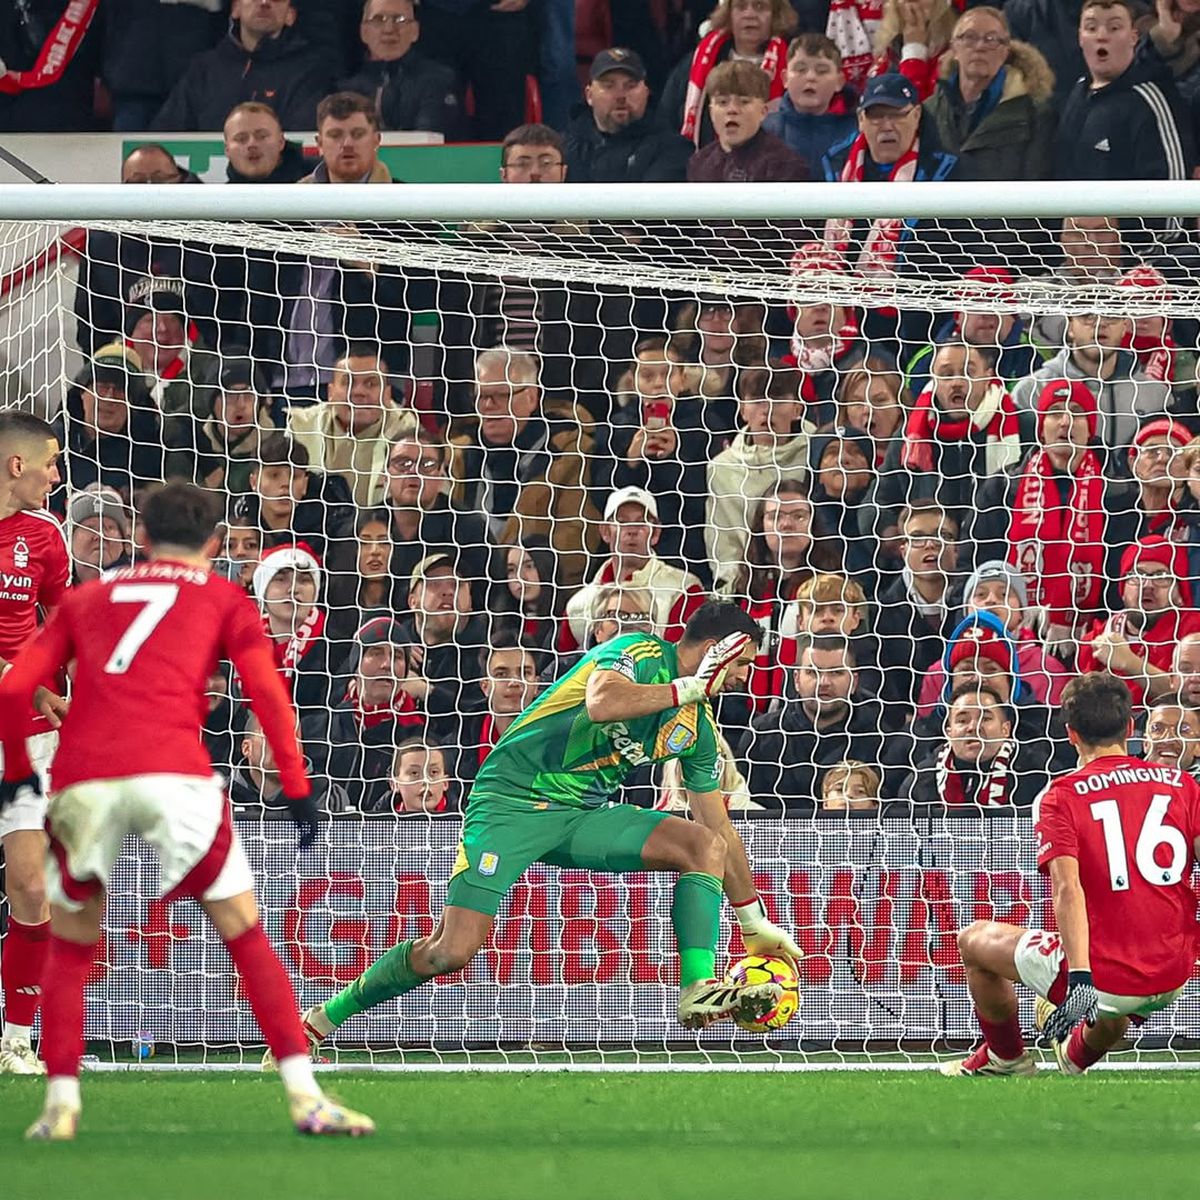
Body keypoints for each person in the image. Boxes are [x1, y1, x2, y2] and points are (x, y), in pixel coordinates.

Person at [0, 481, 371, 1137]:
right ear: (217, 543)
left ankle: (60, 1104)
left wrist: (17, 780)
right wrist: (294, 784)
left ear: (140, 539)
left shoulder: (87, 598)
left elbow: (17, 686)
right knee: (245, 933)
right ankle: (306, 1099)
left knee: (70, 943)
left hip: (86, 777)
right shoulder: (225, 598)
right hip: (175, 773)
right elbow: (266, 692)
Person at [287, 600, 805, 1052]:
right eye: (746, 662)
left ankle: (698, 988)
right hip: (512, 802)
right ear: (721, 647)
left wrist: (752, 921)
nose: (746, 676)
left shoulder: (696, 727)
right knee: (449, 951)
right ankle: (315, 1022)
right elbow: (602, 702)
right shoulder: (640, 652)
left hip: (581, 816)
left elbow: (723, 829)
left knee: (702, 844)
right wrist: (685, 686)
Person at [941, 672, 1200, 1078]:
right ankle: (1075, 1056)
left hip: (1107, 978)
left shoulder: (1061, 795)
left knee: (973, 940)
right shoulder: (1182, 784)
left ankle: (1006, 1058)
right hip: (1175, 974)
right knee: (1115, 1004)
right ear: (1131, 728)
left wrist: (1080, 978)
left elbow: (1068, 889)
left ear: (1070, 734)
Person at [0, 413, 69, 1075]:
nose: (57, 475)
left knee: (30, 889)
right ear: (16, 467)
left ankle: (16, 1041)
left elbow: (58, 623)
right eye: (50, 464)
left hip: (25, 738)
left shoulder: (45, 537)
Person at [449, 346, 600, 588]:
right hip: (466, 593)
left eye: (501, 395)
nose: (488, 405)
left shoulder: (571, 453)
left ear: (531, 397)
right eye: (481, 396)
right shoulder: (457, 454)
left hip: (538, 597)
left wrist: (512, 577)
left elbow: (577, 541)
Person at [1055, 2, 1194, 221]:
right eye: (1091, 28)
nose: (1102, 36)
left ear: (1133, 37)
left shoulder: (1150, 99)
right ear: (1080, 37)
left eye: (1114, 28)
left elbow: (1172, 206)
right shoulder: (1077, 92)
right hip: (1078, 248)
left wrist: (1134, 251)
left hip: (1138, 252)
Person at [741, 633, 896, 811]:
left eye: (836, 672)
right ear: (797, 680)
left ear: (854, 681)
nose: (824, 682)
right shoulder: (761, 736)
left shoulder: (882, 737)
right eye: (813, 672)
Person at [1012, 312, 1172, 464]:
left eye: (1111, 315)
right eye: (1087, 315)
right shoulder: (1031, 390)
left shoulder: (1156, 394)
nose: (1100, 323)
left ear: (1124, 327)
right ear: (1070, 326)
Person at [916, 559, 1070, 717]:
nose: (991, 600)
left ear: (1022, 613)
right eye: (980, 594)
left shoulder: (1049, 670)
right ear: (966, 611)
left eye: (1003, 594)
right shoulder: (939, 672)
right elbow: (927, 731)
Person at [562, 488, 705, 653]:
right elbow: (565, 666)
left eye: (641, 522)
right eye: (622, 522)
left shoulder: (683, 589)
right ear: (605, 531)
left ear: (655, 533)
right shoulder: (577, 605)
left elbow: (684, 659)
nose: (632, 530)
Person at [151, 0, 331, 132]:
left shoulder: (309, 71)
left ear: (290, 16)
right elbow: (166, 132)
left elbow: (304, 136)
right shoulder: (203, 68)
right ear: (235, 9)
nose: (264, 2)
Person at [923, 5, 1056, 182]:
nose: (980, 46)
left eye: (991, 39)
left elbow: (1036, 183)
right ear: (954, 48)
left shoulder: (1036, 115)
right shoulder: (929, 111)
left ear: (1005, 52)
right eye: (970, 37)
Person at [706, 365, 811, 584]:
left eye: (778, 400)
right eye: (757, 400)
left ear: (797, 409)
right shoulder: (722, 468)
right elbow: (723, 545)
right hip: (749, 585)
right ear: (743, 410)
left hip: (809, 576)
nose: (767, 410)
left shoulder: (817, 453)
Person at [286, 344, 418, 508]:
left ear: (387, 394)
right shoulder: (301, 427)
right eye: (348, 383)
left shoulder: (409, 434)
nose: (358, 392)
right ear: (331, 393)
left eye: (371, 384)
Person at [1077, 536, 1200, 709]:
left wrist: (1130, 663)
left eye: (1162, 576)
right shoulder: (1097, 637)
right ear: (1122, 589)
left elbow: (1191, 698)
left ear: (1180, 593)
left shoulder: (1194, 631)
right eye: (1137, 575)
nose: (1148, 584)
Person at [379, 430, 493, 613]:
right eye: (402, 463)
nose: (413, 471)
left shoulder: (468, 528)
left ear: (441, 475)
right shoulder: (364, 525)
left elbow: (491, 599)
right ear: (385, 474)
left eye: (426, 464)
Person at [663, 0, 797, 147]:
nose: (749, 14)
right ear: (728, 14)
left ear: (776, 15)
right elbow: (666, 121)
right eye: (740, 6)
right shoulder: (697, 62)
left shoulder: (793, 65)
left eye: (760, 6)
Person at [901, 682, 1047, 808]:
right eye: (962, 720)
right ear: (949, 733)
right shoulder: (919, 780)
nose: (973, 727)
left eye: (985, 718)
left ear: (1006, 729)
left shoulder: (1037, 774)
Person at [564, 48, 694, 184]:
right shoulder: (565, 150)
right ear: (589, 95)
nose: (620, 96)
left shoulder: (674, 150)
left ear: (646, 92)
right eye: (609, 86)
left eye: (630, 86)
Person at [339, 0, 460, 135]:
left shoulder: (438, 79)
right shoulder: (345, 89)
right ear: (364, 32)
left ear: (415, 31)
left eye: (400, 19)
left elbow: (427, 144)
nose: (389, 29)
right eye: (379, 19)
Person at [686, 60, 810, 182]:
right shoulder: (699, 163)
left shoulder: (785, 165)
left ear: (763, 111)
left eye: (744, 102)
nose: (732, 110)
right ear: (711, 112)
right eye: (723, 102)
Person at [762, 34, 858, 172]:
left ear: (839, 81)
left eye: (822, 71)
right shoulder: (766, 131)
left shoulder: (856, 132)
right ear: (785, 79)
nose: (811, 77)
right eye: (800, 69)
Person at [868, 0, 958, 100]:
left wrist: (914, 49)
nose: (911, 3)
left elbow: (916, 107)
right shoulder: (890, 47)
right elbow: (873, 103)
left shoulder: (954, 52)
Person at [223, 101, 308, 183]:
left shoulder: (317, 185)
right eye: (241, 139)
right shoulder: (218, 197)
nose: (252, 144)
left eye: (262, 136)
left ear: (281, 142)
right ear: (227, 149)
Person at [66, 487, 134, 585]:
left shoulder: (138, 587)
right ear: (69, 538)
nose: (100, 535)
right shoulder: (51, 591)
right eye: (89, 527)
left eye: (109, 527)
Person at [387, 739, 452, 815]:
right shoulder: (378, 823)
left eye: (434, 772)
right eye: (414, 773)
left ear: (445, 783)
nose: (426, 780)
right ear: (394, 784)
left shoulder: (466, 821)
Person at [1138, 693, 1198, 773]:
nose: (1168, 739)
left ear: (1198, 746)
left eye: (1183, 730)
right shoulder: (1123, 778)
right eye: (1157, 728)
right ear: (1145, 742)